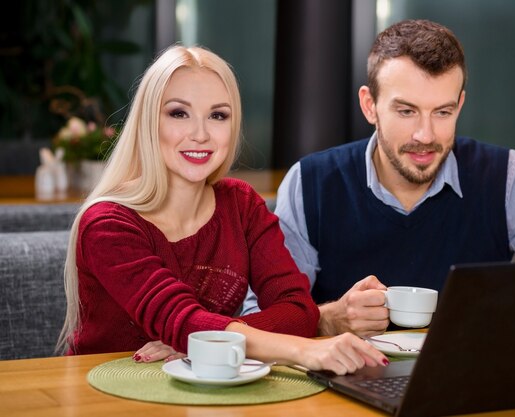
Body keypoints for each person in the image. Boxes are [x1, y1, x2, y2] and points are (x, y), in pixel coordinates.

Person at [242, 19, 515, 337]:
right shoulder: (310, 183)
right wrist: (326, 318)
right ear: (370, 106)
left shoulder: (508, 177)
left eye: (442, 112)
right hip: (345, 391)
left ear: (459, 105)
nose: (425, 135)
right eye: (407, 111)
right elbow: (257, 319)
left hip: (469, 388)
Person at [55, 44, 387, 375]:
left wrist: (199, 337)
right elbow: (183, 319)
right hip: (103, 391)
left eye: (218, 116)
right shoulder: (107, 223)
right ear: (148, 123)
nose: (200, 134)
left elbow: (299, 310)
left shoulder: (241, 204)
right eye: (178, 113)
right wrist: (302, 349)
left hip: (207, 386)